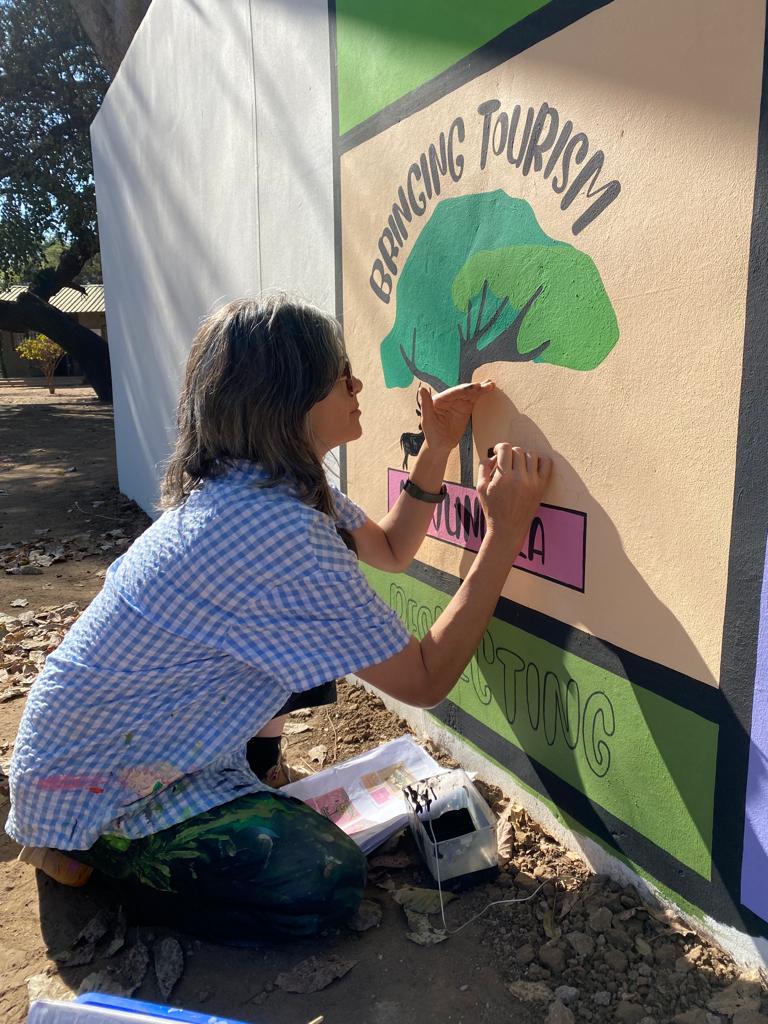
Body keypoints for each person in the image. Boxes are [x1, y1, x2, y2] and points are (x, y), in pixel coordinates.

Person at [7, 294, 552, 943]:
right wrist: (506, 532)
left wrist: (436, 449)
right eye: (339, 375)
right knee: (323, 879)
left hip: (109, 746)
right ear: (287, 399)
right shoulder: (277, 528)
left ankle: (252, 774)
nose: (357, 386)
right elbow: (428, 678)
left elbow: (391, 549)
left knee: (321, 649)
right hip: (102, 790)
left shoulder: (270, 484)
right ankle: (100, 864)